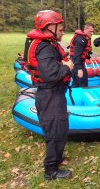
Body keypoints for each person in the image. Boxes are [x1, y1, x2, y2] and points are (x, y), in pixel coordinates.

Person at [24, 10, 74, 180]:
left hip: (52, 93)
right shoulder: (44, 48)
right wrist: (67, 67)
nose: (62, 32)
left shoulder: (46, 44)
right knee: (55, 132)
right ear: (49, 27)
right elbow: (51, 74)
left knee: (60, 128)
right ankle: (50, 170)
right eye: (59, 29)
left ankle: (56, 160)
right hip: (50, 95)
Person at [69, 23, 94, 87]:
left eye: (93, 31)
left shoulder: (85, 38)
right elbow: (76, 55)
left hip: (76, 63)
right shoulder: (80, 40)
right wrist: (79, 69)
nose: (92, 33)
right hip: (77, 64)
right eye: (90, 31)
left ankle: (74, 95)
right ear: (85, 29)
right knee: (83, 84)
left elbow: (84, 51)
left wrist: (89, 57)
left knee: (76, 83)